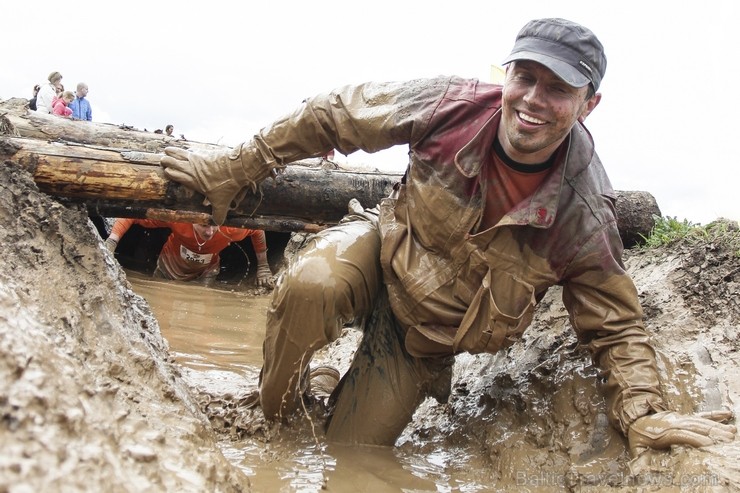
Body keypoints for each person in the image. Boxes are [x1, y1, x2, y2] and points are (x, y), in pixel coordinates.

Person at [160, 18, 736, 454]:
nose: (533, 101)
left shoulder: (582, 213)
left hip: (422, 336)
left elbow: (615, 324)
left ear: (589, 104)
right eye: (525, 77)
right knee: (312, 287)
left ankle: (336, 379)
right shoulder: (451, 106)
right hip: (378, 253)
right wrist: (234, 168)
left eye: (558, 89)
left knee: (351, 455)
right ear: (505, 76)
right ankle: (276, 417)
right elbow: (333, 113)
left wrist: (642, 414)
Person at [105, 218, 274, 288]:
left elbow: (257, 229)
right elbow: (131, 215)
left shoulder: (228, 229)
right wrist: (111, 243)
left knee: (201, 301)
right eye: (203, 226)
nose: (209, 232)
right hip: (168, 267)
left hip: (206, 272)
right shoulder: (178, 219)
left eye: (214, 226)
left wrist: (263, 267)